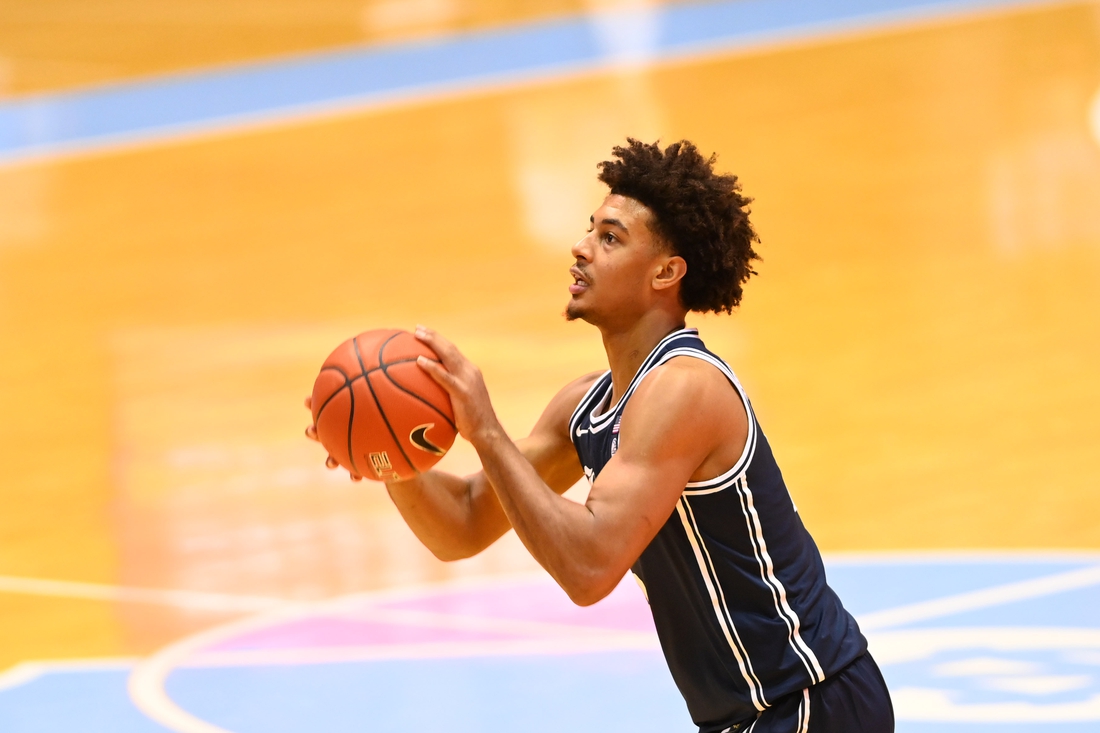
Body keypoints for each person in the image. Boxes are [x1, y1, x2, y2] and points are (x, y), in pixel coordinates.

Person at [306, 139, 893, 733]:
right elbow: (463, 523)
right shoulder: (586, 408)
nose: (581, 248)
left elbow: (589, 570)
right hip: (751, 716)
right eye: (591, 230)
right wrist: (387, 455)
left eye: (610, 238)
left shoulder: (684, 389)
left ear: (667, 272)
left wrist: (483, 429)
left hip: (810, 703)